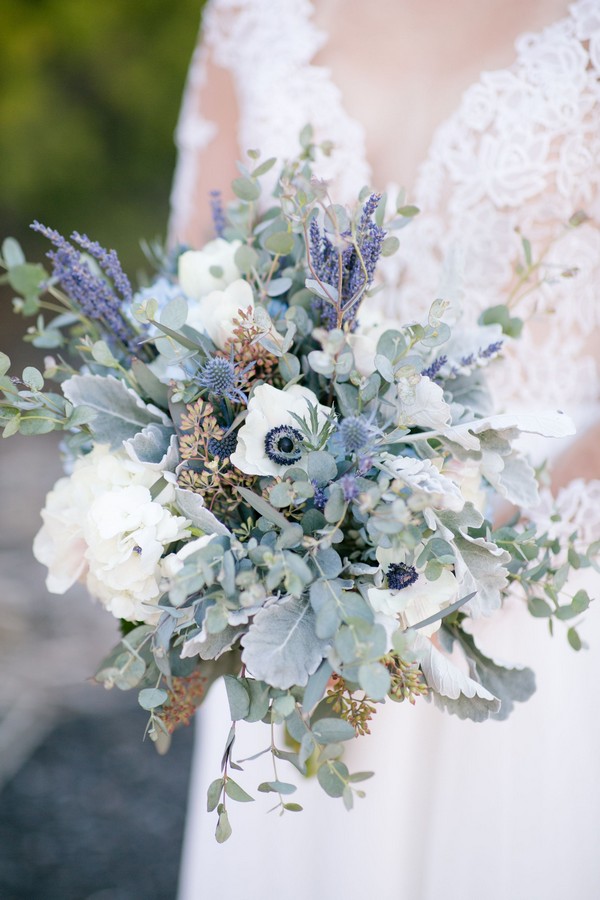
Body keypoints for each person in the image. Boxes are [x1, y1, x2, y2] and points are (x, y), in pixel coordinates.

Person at [170, 2, 600, 897]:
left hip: (540, 583)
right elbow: (193, 286)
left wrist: (498, 517)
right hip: (293, 603)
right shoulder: (250, 17)